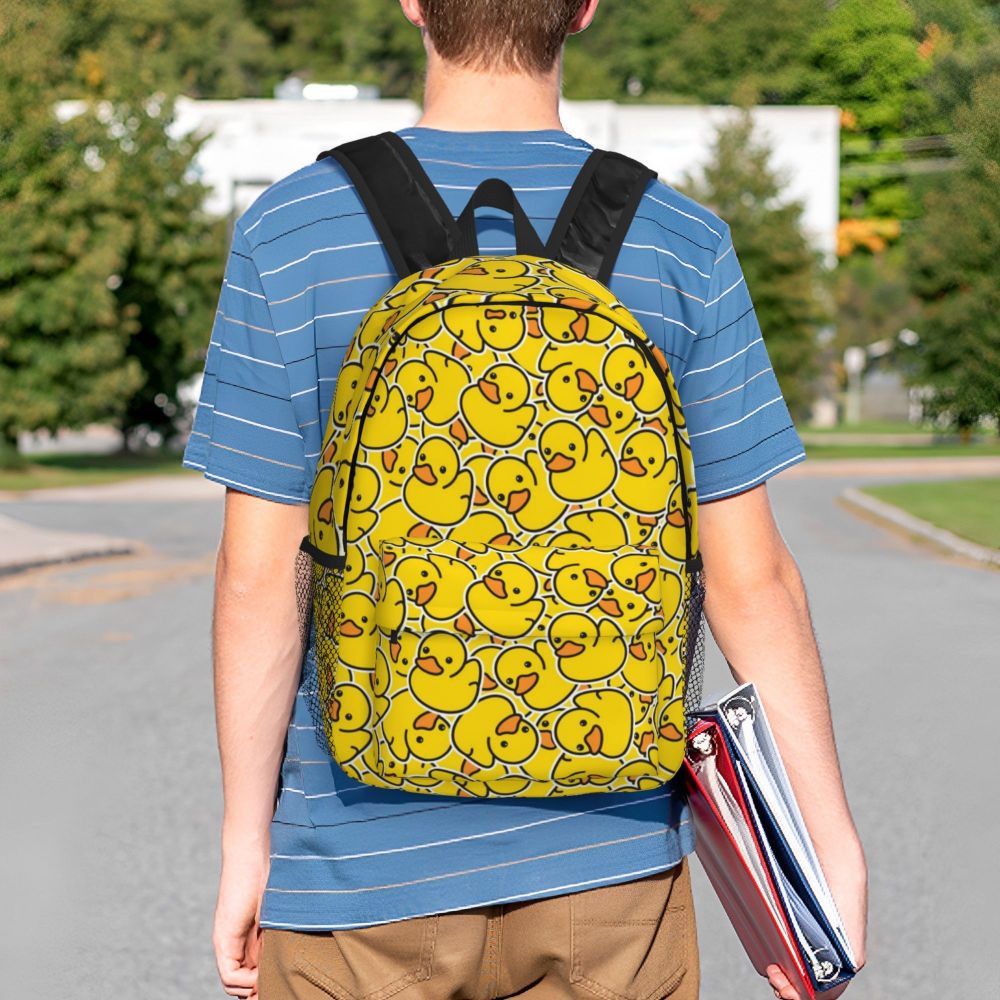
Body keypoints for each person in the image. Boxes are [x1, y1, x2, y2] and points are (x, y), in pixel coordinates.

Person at [183, 1, 868, 997]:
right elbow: (750, 578)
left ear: (414, 2)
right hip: (612, 868)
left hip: (355, 869)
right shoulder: (681, 241)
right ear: (584, 8)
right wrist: (824, 845)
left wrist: (249, 844)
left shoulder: (292, 233)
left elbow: (258, 576)